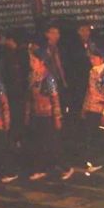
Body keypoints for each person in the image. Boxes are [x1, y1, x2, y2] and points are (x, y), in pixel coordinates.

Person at [69, 45, 104, 179]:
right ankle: (92, 160)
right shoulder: (92, 72)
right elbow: (89, 92)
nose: (92, 60)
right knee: (90, 136)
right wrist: (85, 107)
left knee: (99, 136)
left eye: (94, 57)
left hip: (100, 110)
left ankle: (102, 160)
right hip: (91, 108)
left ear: (101, 58)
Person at [25, 50, 63, 181]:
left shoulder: (49, 78)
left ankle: (62, 167)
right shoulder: (32, 76)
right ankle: (40, 169)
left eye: (34, 61)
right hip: (36, 114)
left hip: (48, 115)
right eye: (30, 60)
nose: (31, 63)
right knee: (38, 143)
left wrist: (57, 117)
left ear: (42, 62)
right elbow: (29, 97)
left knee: (50, 143)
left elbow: (55, 98)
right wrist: (28, 113)